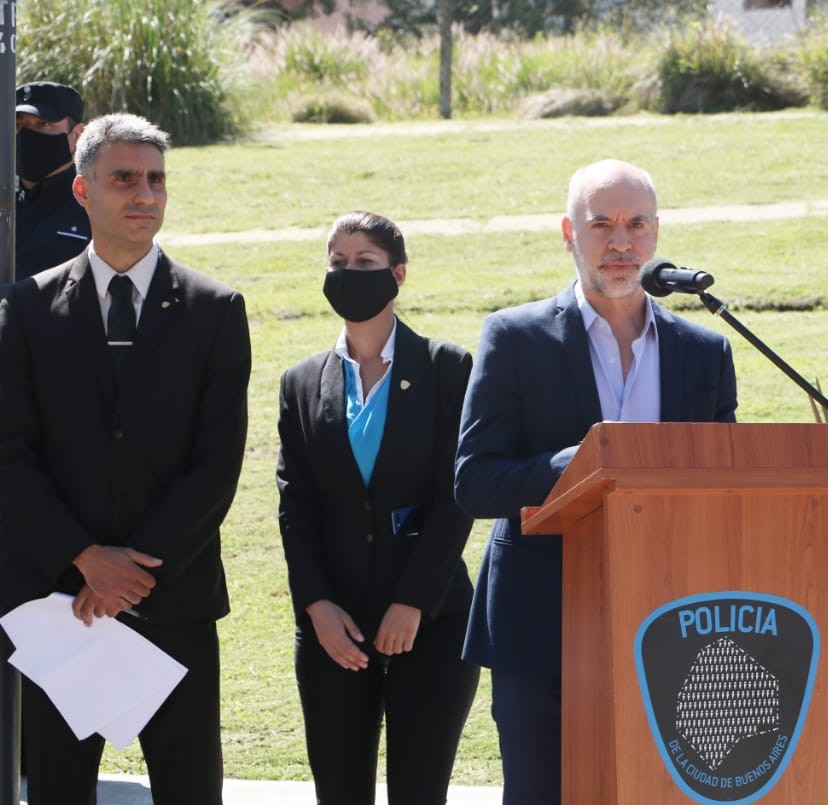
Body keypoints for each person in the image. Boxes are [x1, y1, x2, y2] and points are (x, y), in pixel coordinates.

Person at [454, 158, 738, 804]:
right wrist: (583, 467)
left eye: (636, 224)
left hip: (673, 628)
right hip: (543, 628)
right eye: (601, 224)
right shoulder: (515, 338)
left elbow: (724, 485)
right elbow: (473, 480)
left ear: (657, 233)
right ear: (568, 233)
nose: (620, 242)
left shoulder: (704, 353)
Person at [0, 113, 251, 804]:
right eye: (124, 179)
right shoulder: (26, 309)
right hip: (62, 605)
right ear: (82, 189)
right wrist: (85, 558)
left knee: (190, 788)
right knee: (56, 787)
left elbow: (216, 462)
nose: (145, 195)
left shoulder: (216, 309)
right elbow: (10, 456)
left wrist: (128, 572)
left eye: (156, 180)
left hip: (174, 599)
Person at [276, 211, 479, 805]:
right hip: (332, 624)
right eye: (337, 263)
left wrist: (413, 601)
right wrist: (316, 606)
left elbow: (455, 496)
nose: (347, 274)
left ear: (399, 274)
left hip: (431, 621)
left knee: (420, 790)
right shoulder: (300, 382)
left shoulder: (447, 368)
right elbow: (296, 506)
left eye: (364, 263)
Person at [14, 81, 91, 279]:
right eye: (18, 125)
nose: (27, 135)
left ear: (78, 135)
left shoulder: (95, 205)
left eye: (44, 124)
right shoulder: (6, 198)